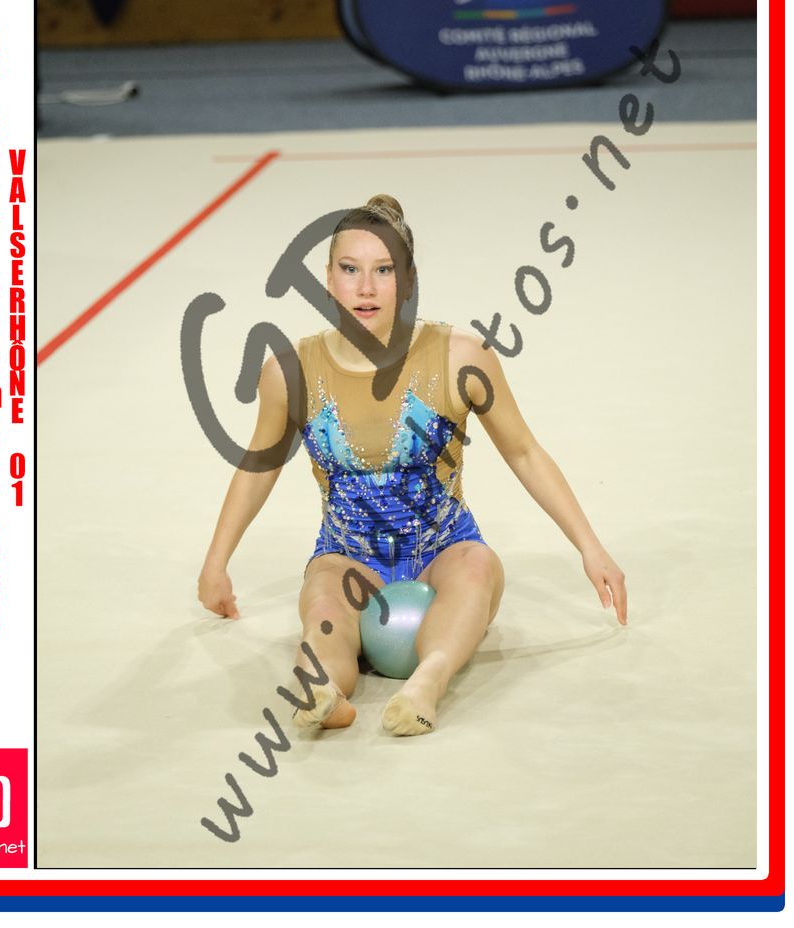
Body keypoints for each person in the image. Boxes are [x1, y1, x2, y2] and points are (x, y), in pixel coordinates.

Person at [198, 194, 627, 736]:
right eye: (350, 269)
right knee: (323, 607)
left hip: (445, 548)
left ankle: (428, 681)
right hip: (348, 556)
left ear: (408, 280)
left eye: (384, 271)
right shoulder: (290, 371)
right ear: (327, 278)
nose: (366, 288)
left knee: (477, 568)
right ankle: (323, 689)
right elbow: (258, 468)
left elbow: (523, 451)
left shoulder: (460, 355)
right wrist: (216, 563)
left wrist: (590, 546)